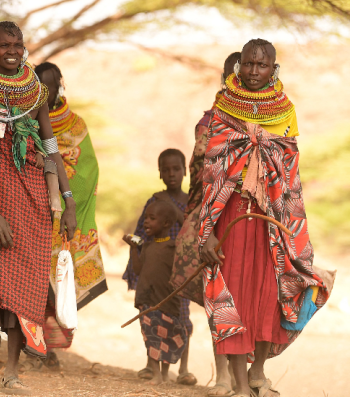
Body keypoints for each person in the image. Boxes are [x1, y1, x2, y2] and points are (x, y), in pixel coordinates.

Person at [199, 39, 328, 397]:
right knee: (234, 296)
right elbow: (213, 171)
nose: (255, 71)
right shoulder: (223, 107)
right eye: (249, 64)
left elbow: (289, 169)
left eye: (263, 65)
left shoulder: (286, 110)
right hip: (232, 216)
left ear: (275, 69)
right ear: (239, 66)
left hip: (272, 220)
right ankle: (240, 387)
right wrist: (208, 231)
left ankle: (258, 372)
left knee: (269, 295)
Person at [0, 21, 77, 392]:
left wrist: (68, 202)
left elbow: (51, 148)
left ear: (23, 48)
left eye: (17, 44)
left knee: (26, 282)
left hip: (34, 197)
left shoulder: (36, 92)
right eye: (4, 45)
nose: (11, 50)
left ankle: (12, 371)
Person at [170, 51, 241, 397]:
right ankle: (224, 376)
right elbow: (199, 173)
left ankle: (253, 374)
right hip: (215, 214)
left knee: (254, 290)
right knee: (218, 291)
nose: (239, 78)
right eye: (232, 73)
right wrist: (202, 220)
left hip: (253, 217)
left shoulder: (275, 116)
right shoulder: (209, 122)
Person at [33, 62, 107, 369]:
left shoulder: (76, 125)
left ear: (61, 84)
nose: (47, 95)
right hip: (35, 212)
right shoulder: (24, 122)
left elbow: (87, 171)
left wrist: (67, 202)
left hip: (65, 212)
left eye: (51, 86)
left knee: (59, 278)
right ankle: (34, 344)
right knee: (36, 280)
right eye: (41, 87)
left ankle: (49, 347)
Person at [122, 148, 195, 384]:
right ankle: (151, 364)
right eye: (166, 169)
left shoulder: (191, 202)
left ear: (186, 171)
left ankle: (183, 369)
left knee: (181, 318)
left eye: (176, 169)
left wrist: (174, 210)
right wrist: (133, 244)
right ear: (159, 173)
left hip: (179, 272)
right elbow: (142, 233)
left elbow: (195, 232)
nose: (171, 174)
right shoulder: (154, 201)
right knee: (153, 317)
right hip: (156, 269)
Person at [123, 200, 188, 385]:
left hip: (168, 302)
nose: (146, 222)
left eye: (152, 218)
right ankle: (156, 375)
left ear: (166, 223)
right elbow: (137, 270)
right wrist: (134, 248)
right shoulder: (148, 246)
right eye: (145, 218)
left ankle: (165, 374)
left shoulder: (174, 247)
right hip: (147, 301)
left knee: (166, 337)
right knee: (151, 336)